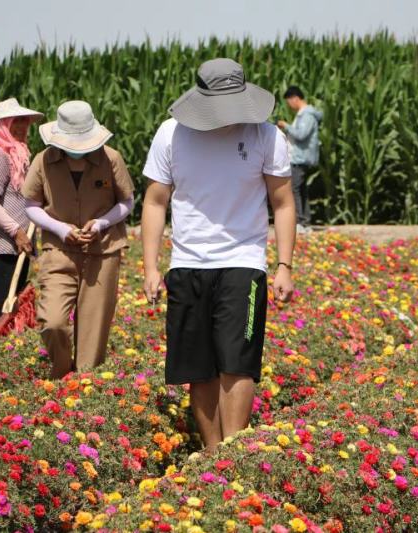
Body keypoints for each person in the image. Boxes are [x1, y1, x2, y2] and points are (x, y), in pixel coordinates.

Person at [141, 58, 296, 450]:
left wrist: (284, 265)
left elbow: (282, 202)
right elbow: (156, 202)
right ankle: (212, 454)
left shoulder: (266, 137)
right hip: (188, 263)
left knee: (237, 362)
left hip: (243, 263)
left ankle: (234, 450)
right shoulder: (171, 134)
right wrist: (150, 267)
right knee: (200, 368)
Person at [22, 100, 135, 379]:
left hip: (103, 250)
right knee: (53, 322)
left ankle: (84, 383)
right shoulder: (43, 161)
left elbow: (127, 201)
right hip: (59, 249)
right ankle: (61, 373)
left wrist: (101, 223)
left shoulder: (111, 158)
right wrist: (60, 228)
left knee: (93, 328)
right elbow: (31, 205)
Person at [0, 98, 44, 333]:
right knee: (3, 302)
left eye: (25, 123)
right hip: (7, 242)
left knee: (13, 298)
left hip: (17, 242)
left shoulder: (16, 155)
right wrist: (16, 231)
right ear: (2, 126)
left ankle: (0, 349)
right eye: (16, 122)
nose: (22, 128)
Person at [277, 86, 323, 233]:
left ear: (295, 98)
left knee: (294, 190)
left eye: (289, 101)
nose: (289, 106)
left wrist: (286, 126)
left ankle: (299, 222)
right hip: (298, 157)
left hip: (300, 158)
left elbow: (301, 134)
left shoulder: (307, 115)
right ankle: (305, 222)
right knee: (301, 190)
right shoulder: (303, 115)